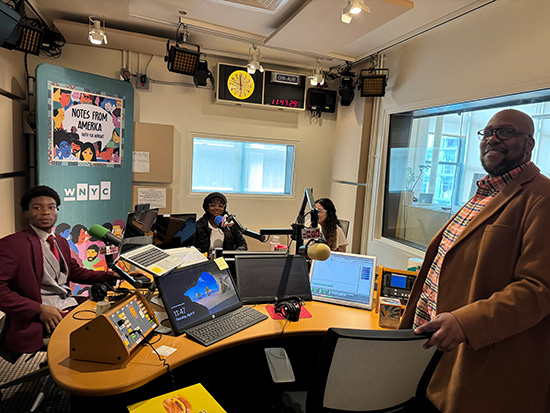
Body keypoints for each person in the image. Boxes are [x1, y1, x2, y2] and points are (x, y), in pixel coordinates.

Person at [400, 109, 550, 412]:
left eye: (505, 132)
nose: (493, 138)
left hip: (480, 358)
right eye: (488, 132)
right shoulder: (485, 191)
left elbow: (539, 288)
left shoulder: (543, 197)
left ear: (529, 144)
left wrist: (466, 322)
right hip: (433, 348)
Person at [0, 186, 118, 354]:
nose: (45, 212)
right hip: (41, 317)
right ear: (25, 213)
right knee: (103, 336)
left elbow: (77, 272)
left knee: (116, 317)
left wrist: (112, 275)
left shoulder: (60, 241)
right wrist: (38, 309)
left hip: (67, 304)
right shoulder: (12, 244)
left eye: (51, 207)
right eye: (37, 207)